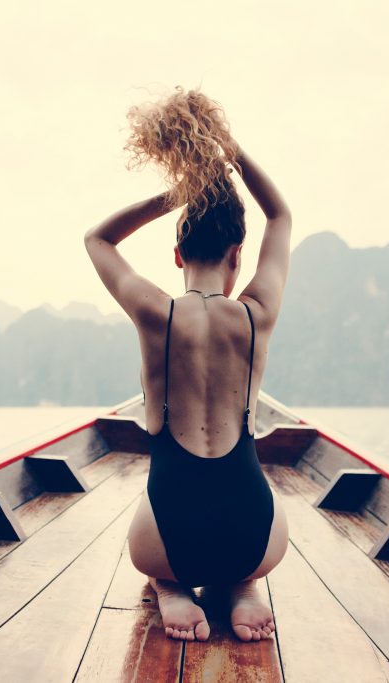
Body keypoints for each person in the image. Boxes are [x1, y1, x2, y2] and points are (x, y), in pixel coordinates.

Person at [84, 87, 292, 643]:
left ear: (177, 255)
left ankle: (172, 589)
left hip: (169, 539)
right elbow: (280, 214)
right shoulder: (257, 314)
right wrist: (226, 147)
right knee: (257, 537)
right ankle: (244, 585)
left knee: (155, 544)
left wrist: (177, 193)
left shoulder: (155, 313)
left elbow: (97, 238)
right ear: (237, 256)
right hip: (254, 536)